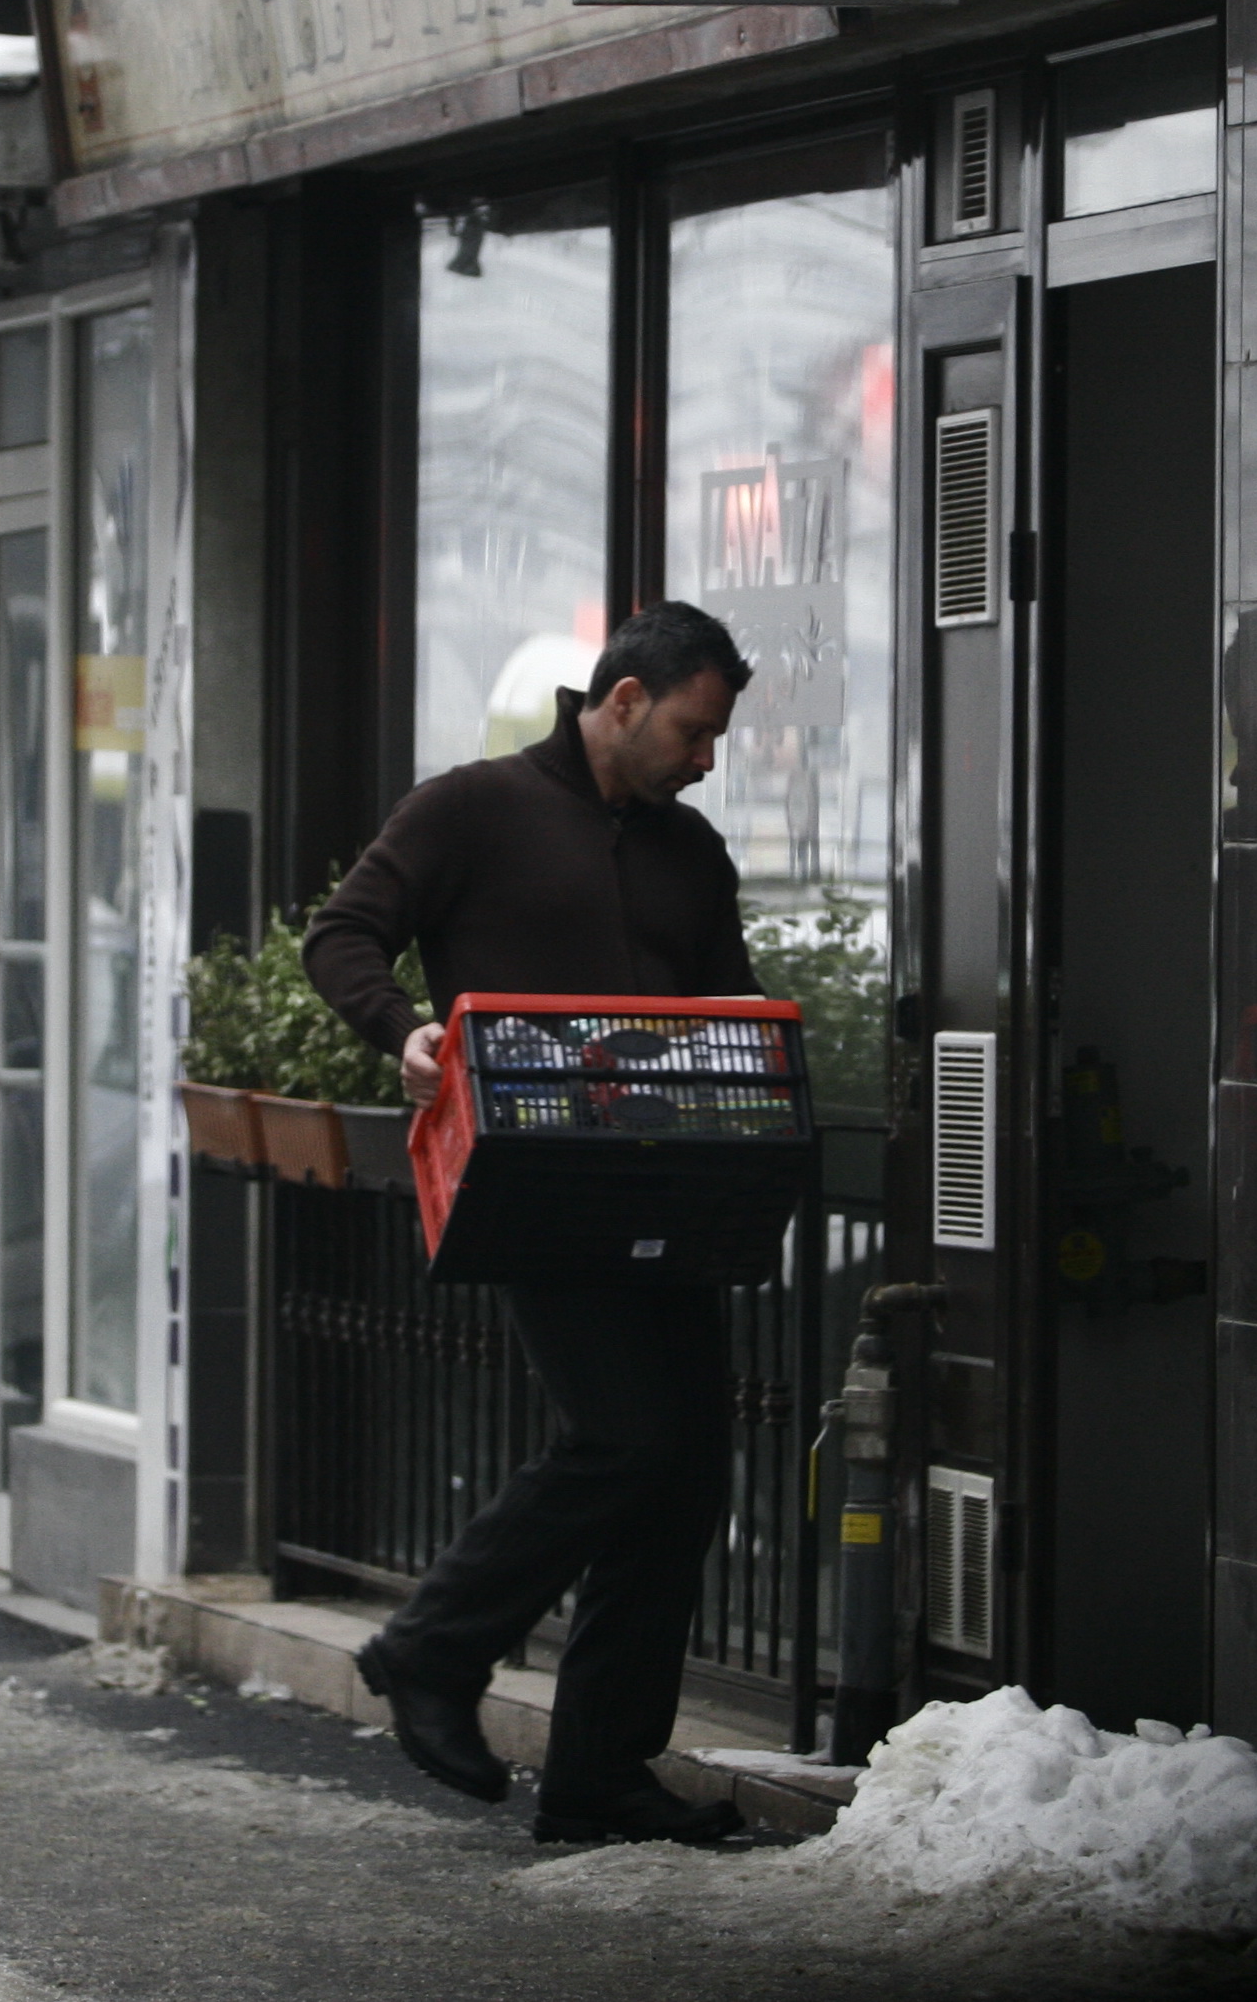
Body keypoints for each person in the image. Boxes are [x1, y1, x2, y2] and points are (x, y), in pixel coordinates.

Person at [303, 601, 761, 1846]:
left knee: (686, 1476)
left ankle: (601, 1775)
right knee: (623, 1434)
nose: (706, 758)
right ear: (622, 699)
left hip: (670, 1179)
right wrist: (403, 1030)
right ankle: (432, 1647)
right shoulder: (472, 806)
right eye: (693, 730)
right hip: (532, 1184)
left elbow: (728, 1001)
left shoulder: (689, 849)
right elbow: (344, 933)